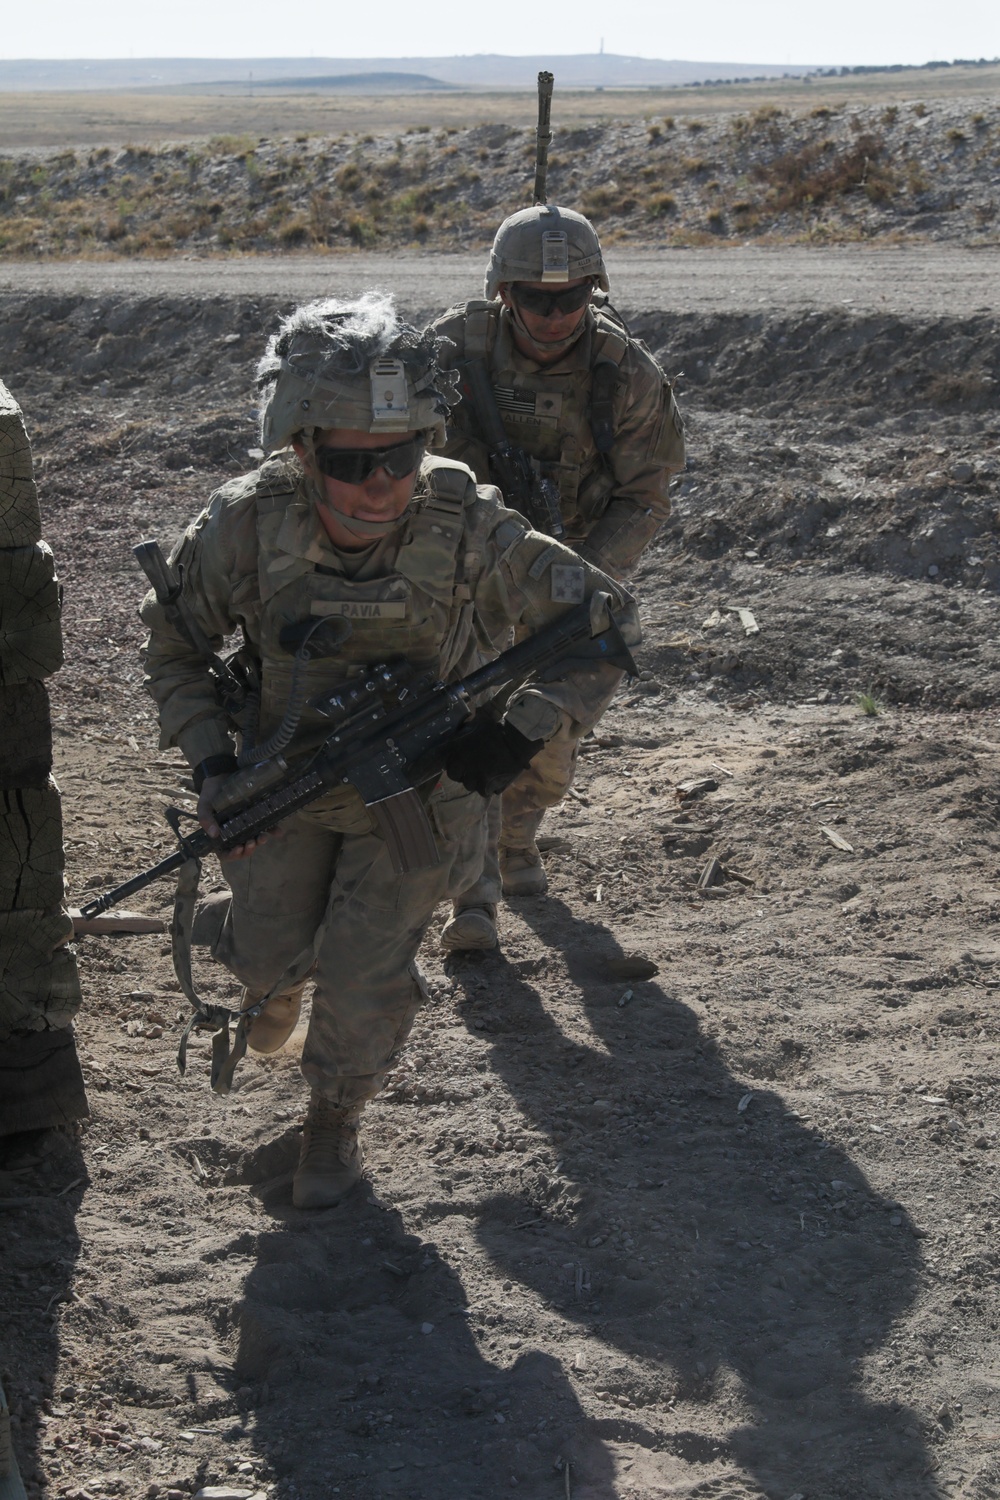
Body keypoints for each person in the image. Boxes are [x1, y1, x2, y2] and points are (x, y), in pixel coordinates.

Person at [140, 293, 640, 1210]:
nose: (383, 485)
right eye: (352, 463)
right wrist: (214, 767)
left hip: (424, 790)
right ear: (299, 448)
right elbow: (172, 646)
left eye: (404, 455)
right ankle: (257, 954)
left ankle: (333, 1120)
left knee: (370, 970)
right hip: (284, 786)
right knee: (267, 957)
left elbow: (604, 621)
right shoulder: (244, 525)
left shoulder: (466, 522)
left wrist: (519, 731)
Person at [429, 203, 685, 953]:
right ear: (503, 292)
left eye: (571, 296)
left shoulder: (624, 374)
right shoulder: (450, 353)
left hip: (573, 572)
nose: (553, 314)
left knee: (546, 728)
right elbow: (393, 455)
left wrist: (582, 576)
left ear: (593, 292)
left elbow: (649, 492)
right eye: (536, 298)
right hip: (464, 570)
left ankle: (517, 837)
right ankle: (470, 896)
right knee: (460, 721)